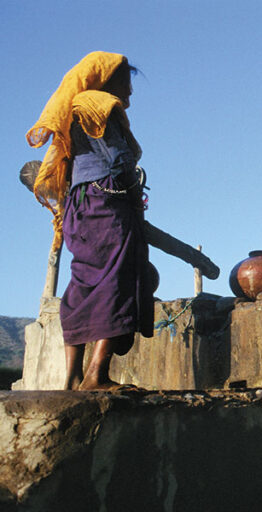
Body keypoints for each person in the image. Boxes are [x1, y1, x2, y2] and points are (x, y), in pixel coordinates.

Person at [26, 51, 154, 391]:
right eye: (126, 82)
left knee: (83, 281)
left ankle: (72, 377)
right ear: (107, 78)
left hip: (78, 207)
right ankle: (97, 374)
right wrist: (132, 188)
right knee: (116, 277)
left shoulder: (73, 108)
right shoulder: (98, 104)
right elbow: (118, 160)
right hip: (106, 202)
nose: (130, 92)